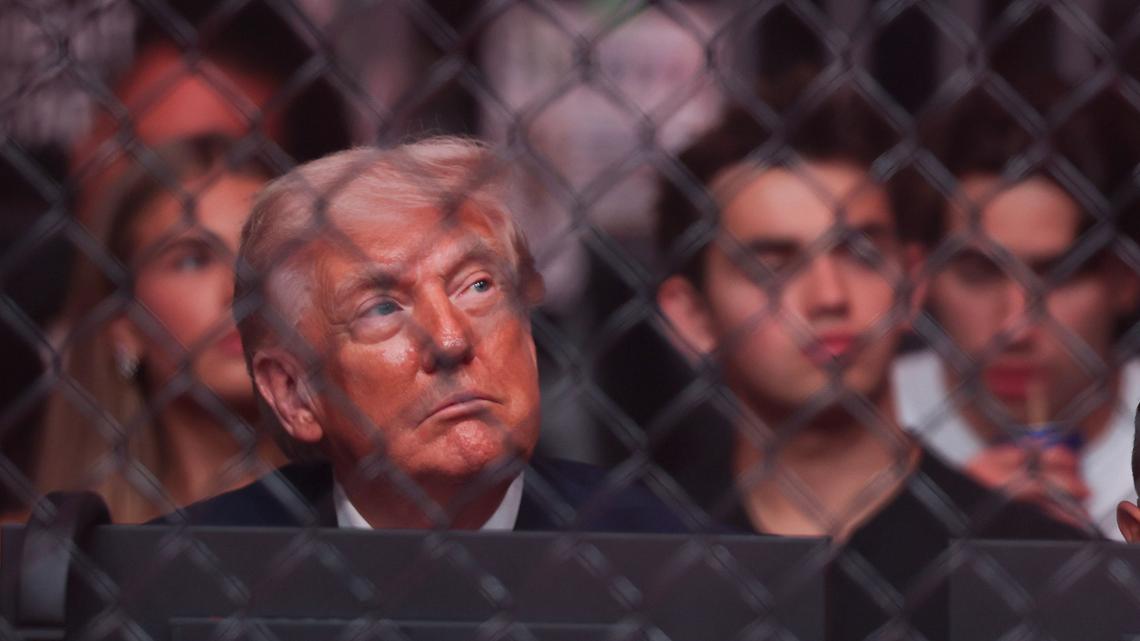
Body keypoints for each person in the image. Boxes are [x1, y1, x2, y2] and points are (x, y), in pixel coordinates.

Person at [655, 84, 1091, 640]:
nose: (830, 295)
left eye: (860, 253)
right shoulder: (642, 561)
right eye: (773, 267)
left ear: (910, 284)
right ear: (693, 316)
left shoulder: (1040, 569)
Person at [165, 137, 691, 533]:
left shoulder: (674, 560)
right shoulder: (184, 576)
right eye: (383, 307)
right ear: (293, 392)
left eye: (478, 286)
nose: (450, 339)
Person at [891, 83, 1140, 539]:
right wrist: (941, 523)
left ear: (1126, 280)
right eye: (978, 273)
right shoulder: (879, 420)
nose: (1017, 325)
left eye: (1059, 274)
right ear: (920, 277)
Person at [34, 134, 284, 523]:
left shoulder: (385, 520)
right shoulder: (51, 551)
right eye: (192, 260)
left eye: (265, 254)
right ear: (122, 324)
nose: (239, 287)